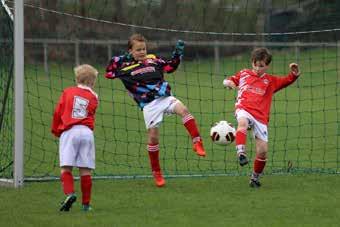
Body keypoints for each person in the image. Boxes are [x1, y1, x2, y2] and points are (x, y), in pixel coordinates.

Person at [105, 34, 206, 187]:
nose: (142, 52)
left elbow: (171, 67)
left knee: (184, 110)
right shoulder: (124, 66)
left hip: (164, 96)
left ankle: (197, 142)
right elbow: (109, 73)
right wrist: (121, 58)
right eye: (138, 49)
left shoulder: (153, 59)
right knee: (153, 137)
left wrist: (177, 53)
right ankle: (157, 172)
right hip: (148, 104)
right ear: (130, 50)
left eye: (144, 48)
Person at [223, 47, 301, 188]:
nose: (257, 68)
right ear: (252, 62)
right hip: (244, 108)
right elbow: (232, 80)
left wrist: (294, 74)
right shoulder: (244, 73)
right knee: (242, 123)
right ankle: (241, 153)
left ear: (267, 66)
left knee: (263, 151)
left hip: (261, 117)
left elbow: (286, 81)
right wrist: (228, 83)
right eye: (255, 64)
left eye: (261, 66)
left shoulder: (270, 81)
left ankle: (255, 178)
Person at [51, 64, 99, 211]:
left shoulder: (67, 92)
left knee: (66, 167)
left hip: (70, 131)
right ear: (92, 82)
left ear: (77, 78)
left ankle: (70, 194)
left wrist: (56, 130)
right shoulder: (95, 96)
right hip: (87, 133)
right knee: (85, 170)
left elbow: (58, 112)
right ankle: (86, 204)